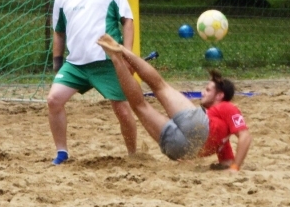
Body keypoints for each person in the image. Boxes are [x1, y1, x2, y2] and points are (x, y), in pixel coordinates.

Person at [97, 34, 251, 170]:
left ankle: (121, 50)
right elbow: (226, 162)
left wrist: (235, 168)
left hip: (198, 126)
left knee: (160, 86)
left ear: (220, 96)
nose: (203, 92)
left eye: (208, 89)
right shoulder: (223, 141)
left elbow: (245, 137)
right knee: (139, 106)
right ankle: (116, 58)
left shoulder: (227, 107)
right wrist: (231, 166)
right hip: (181, 150)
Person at [46, 0, 137, 165]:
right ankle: (62, 152)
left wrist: (127, 54)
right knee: (53, 100)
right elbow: (59, 32)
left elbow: (128, 21)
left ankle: (134, 155)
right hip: (76, 64)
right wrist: (57, 61)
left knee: (123, 110)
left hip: (107, 63)